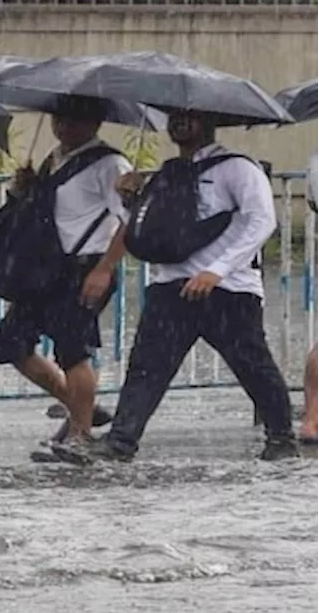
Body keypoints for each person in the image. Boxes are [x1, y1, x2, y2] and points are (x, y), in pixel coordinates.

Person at [54, 109, 298, 464]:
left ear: (210, 122)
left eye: (191, 117)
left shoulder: (238, 168)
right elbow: (148, 231)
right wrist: (127, 201)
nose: (181, 123)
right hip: (171, 285)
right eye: (176, 117)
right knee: (147, 367)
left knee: (252, 365)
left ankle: (281, 437)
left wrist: (217, 271)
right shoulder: (167, 173)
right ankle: (121, 441)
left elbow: (262, 220)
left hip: (227, 290)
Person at [0, 97, 130, 461]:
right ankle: (79, 405)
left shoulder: (110, 164)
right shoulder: (54, 159)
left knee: (73, 352)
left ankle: (79, 435)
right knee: (11, 343)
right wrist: (26, 186)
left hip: (84, 267)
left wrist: (104, 269)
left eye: (76, 120)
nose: (65, 127)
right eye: (60, 119)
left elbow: (129, 222)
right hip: (45, 268)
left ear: (95, 123)